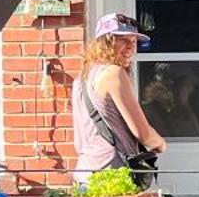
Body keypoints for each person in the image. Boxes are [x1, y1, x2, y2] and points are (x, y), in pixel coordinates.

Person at [72, 12, 167, 176]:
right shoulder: (113, 73)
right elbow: (143, 133)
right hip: (112, 174)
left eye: (134, 41)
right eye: (123, 39)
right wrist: (159, 142)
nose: (130, 46)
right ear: (105, 42)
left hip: (85, 172)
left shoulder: (82, 78)